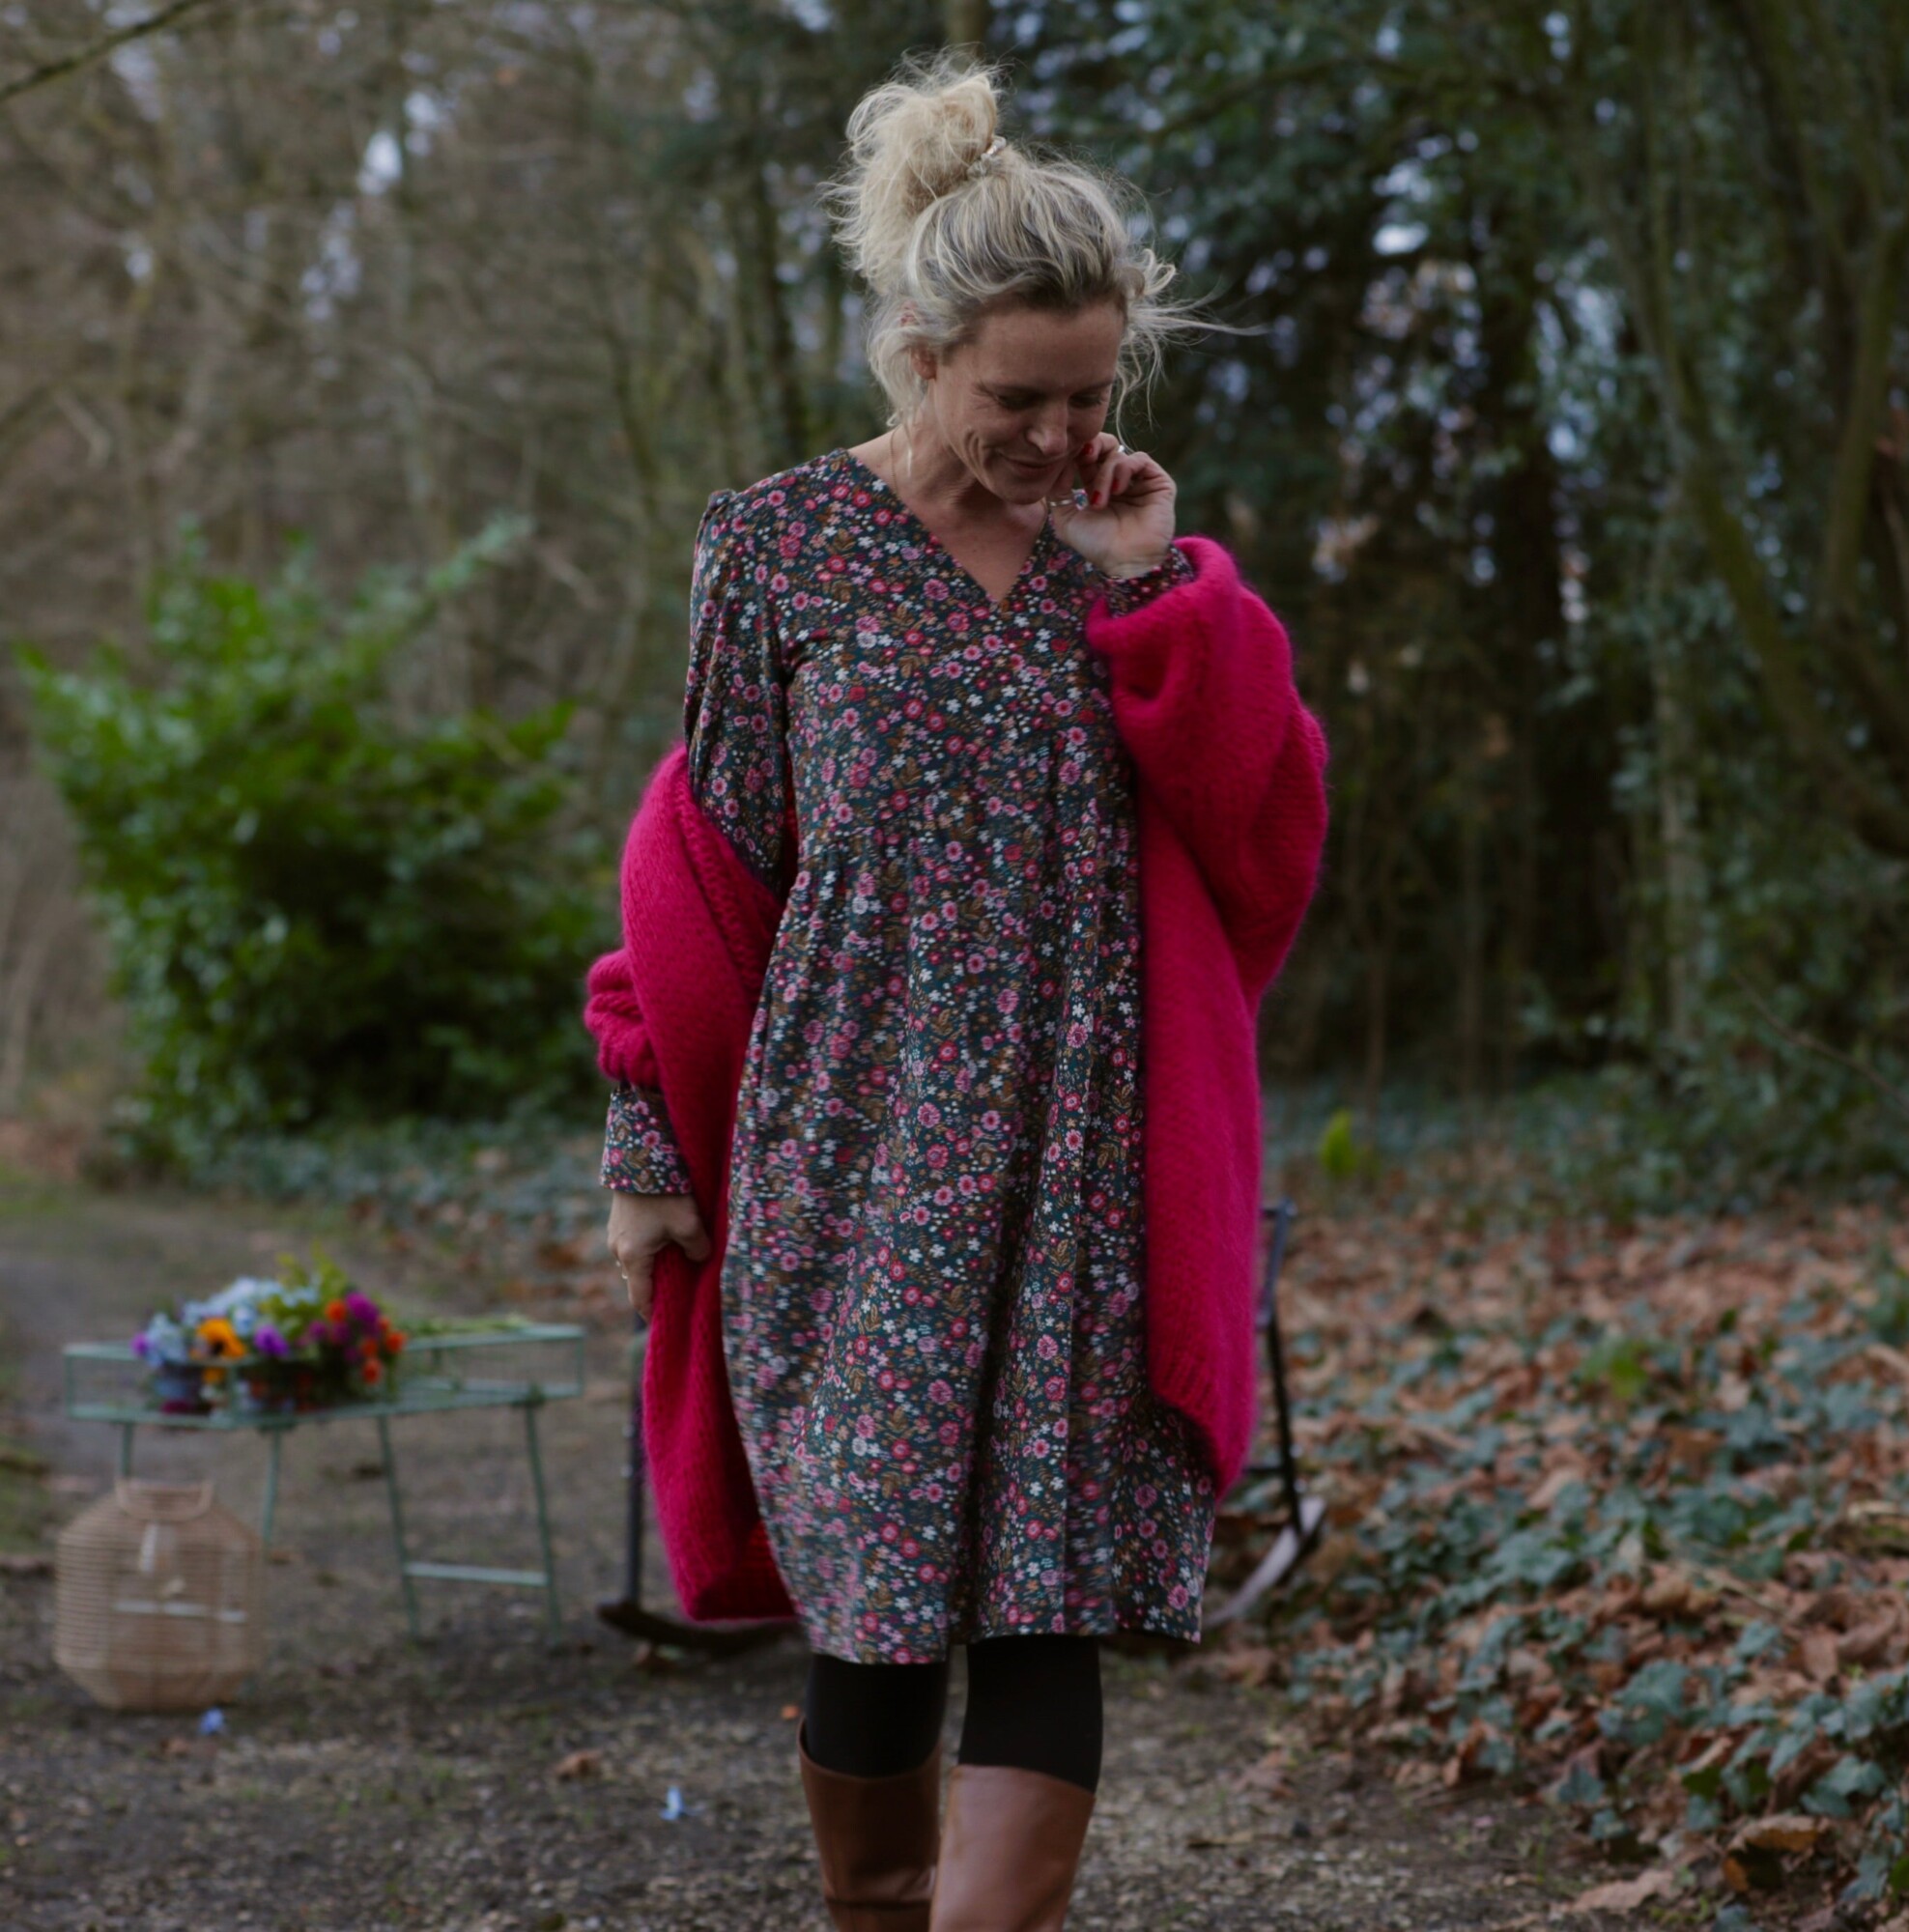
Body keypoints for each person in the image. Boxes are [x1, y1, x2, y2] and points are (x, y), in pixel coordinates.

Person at [588, 53, 1328, 1932]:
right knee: (876, 1583)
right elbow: (700, 867)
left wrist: (1154, 586)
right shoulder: (777, 547)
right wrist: (645, 1127)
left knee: (1049, 1591)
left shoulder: (1135, 564)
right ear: (921, 353)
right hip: (854, 1144)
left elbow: (1263, 834)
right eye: (1019, 396)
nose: (1059, 433)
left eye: (1092, 393)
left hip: (1089, 1147)